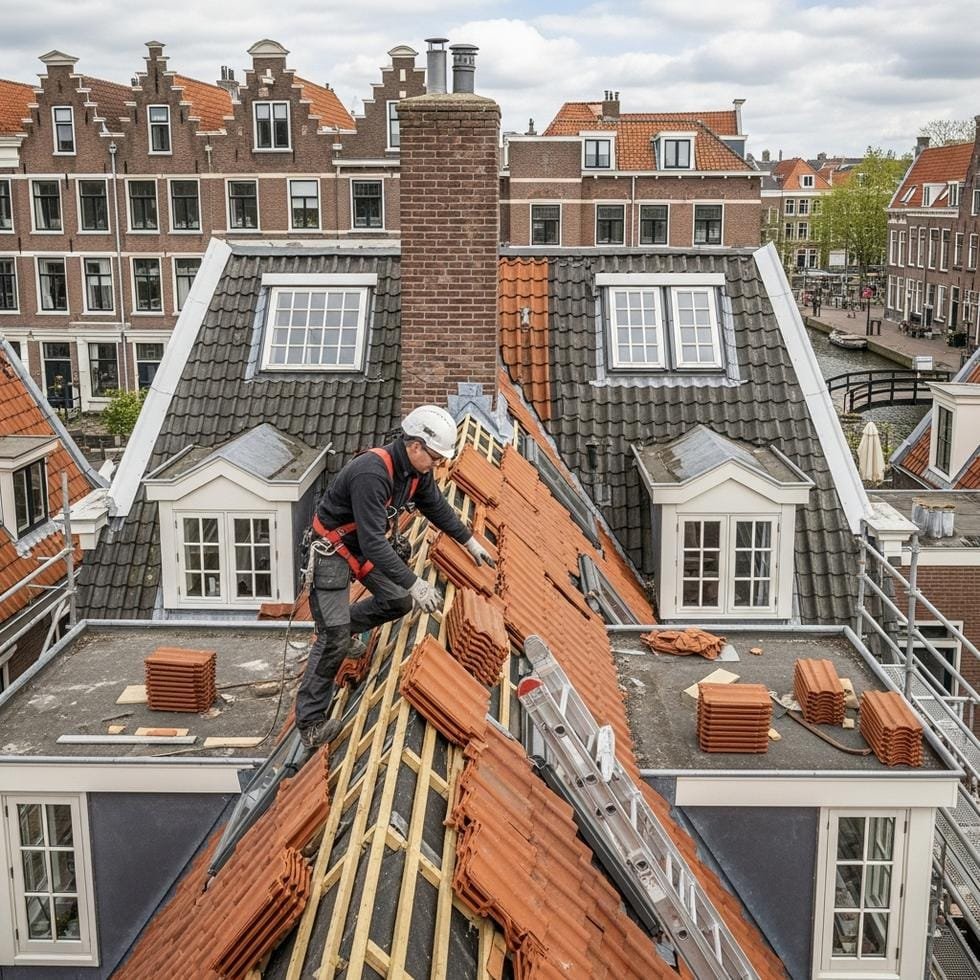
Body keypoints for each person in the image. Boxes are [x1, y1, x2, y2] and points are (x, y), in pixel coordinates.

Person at [295, 405, 494, 748]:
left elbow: (436, 507)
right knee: (334, 638)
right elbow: (374, 544)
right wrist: (415, 582)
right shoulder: (372, 473)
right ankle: (311, 723)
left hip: (358, 548)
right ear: (415, 445)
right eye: (434, 457)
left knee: (397, 601)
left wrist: (469, 540)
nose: (438, 464)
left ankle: (339, 628)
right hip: (331, 551)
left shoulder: (416, 472)